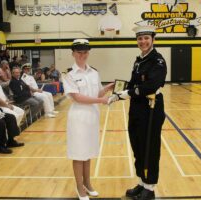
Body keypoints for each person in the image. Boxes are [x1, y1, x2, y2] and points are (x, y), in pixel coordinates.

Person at [109, 25, 167, 200]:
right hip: (137, 107)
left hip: (151, 107)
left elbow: (151, 85)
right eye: (140, 39)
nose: (143, 41)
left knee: (149, 147)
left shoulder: (158, 61)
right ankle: (142, 182)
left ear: (153, 39)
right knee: (137, 145)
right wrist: (118, 89)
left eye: (146, 38)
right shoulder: (139, 60)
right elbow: (134, 84)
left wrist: (127, 93)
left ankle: (150, 188)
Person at [62, 39, 114, 200]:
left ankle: (88, 183)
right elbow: (77, 97)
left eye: (85, 52)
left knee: (88, 152)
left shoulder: (94, 72)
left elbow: (96, 93)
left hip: (92, 117)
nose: (82, 55)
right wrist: (101, 101)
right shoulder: (68, 74)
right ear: (73, 53)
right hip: (78, 118)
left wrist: (107, 88)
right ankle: (79, 187)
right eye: (79, 52)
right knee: (79, 154)